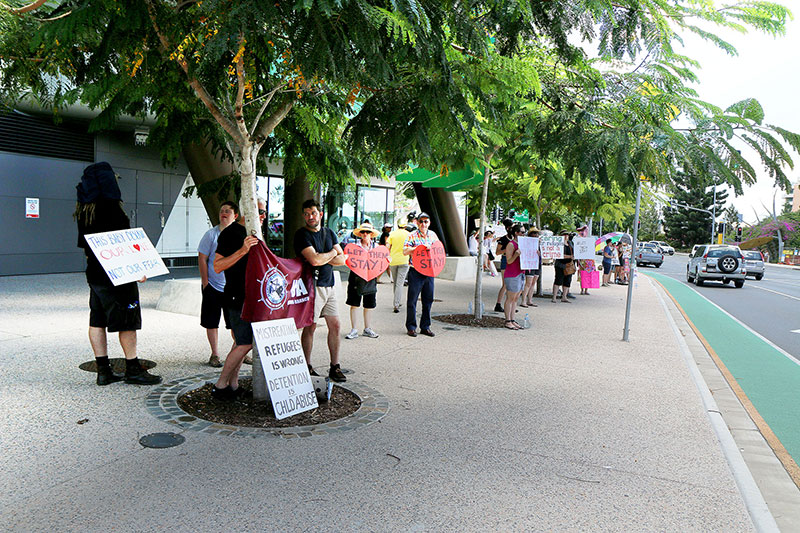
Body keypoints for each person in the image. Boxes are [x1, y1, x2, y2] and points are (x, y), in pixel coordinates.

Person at [75, 162, 162, 386]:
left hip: (95, 275)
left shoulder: (84, 210)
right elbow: (123, 247)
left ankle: (103, 371)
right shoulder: (112, 208)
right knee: (127, 322)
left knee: (97, 319)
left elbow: (85, 248)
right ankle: (133, 369)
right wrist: (136, 270)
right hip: (118, 276)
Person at [211, 198, 267, 400]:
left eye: (264, 212)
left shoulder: (257, 232)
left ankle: (232, 385)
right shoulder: (231, 233)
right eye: (259, 211)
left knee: (240, 342)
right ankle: (220, 385)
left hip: (254, 297)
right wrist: (243, 250)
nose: (263, 215)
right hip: (236, 296)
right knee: (244, 342)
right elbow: (217, 266)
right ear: (247, 211)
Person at [294, 199, 347, 382]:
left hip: (329, 285)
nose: (310, 217)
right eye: (307, 214)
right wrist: (333, 253)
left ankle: (335, 366)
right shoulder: (302, 235)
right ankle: (306, 366)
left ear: (321, 214)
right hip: (312, 286)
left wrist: (326, 256)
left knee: (336, 325)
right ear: (303, 215)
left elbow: (343, 260)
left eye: (314, 213)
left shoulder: (329, 233)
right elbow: (315, 261)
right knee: (311, 327)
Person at [198, 201, 239, 368]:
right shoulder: (211, 235)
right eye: (222, 210)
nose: (224, 213)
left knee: (235, 322)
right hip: (213, 286)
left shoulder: (238, 235)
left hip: (232, 287)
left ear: (235, 216)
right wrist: (205, 282)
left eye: (228, 211)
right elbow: (202, 258)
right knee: (211, 321)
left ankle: (239, 352)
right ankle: (214, 354)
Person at [403, 212, 439, 337]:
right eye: (421, 221)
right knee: (412, 300)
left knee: (428, 300)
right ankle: (411, 327)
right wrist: (418, 248)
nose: (423, 224)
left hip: (429, 271)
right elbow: (405, 251)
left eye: (426, 221)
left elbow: (438, 250)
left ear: (429, 223)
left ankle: (425, 326)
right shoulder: (412, 235)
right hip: (415, 271)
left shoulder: (433, 235)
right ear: (417, 222)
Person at [344, 223, 381, 339]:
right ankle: (354, 329)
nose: (365, 234)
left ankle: (367, 328)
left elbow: (380, 262)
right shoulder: (354, 247)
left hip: (370, 277)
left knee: (369, 304)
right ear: (359, 234)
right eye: (363, 232)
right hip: (356, 278)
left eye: (368, 232)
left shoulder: (376, 247)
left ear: (371, 234)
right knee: (354, 303)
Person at [502, 224, 526, 330]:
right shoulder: (511, 245)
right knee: (510, 298)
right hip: (512, 274)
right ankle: (508, 320)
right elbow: (509, 261)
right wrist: (516, 255)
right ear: (516, 233)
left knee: (515, 298)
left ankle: (512, 319)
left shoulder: (523, 244)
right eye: (522, 232)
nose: (524, 234)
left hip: (521, 273)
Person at [387, 219, 412, 313]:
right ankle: (396, 304)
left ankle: (396, 301)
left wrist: (387, 256)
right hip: (404, 260)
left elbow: (387, 246)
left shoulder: (392, 234)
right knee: (400, 283)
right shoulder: (408, 235)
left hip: (393, 260)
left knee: (396, 282)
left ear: (397, 225)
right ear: (405, 226)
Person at [494, 218, 514, 312]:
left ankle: (509, 305)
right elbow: (497, 252)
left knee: (511, 284)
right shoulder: (503, 239)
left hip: (514, 261)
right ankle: (498, 304)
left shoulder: (514, 239)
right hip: (505, 260)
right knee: (505, 284)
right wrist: (507, 250)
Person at [552, 230, 574, 303]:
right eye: (564, 235)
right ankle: (554, 297)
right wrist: (570, 256)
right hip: (560, 264)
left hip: (569, 265)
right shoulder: (558, 244)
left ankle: (564, 296)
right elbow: (560, 255)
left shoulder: (570, 244)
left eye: (567, 235)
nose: (566, 236)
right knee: (558, 280)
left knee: (567, 281)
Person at [520, 227, 541, 307]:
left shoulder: (540, 243)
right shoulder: (527, 242)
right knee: (528, 283)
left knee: (533, 283)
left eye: (537, 233)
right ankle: (523, 301)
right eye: (534, 233)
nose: (536, 235)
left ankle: (530, 300)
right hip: (530, 263)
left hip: (537, 263)